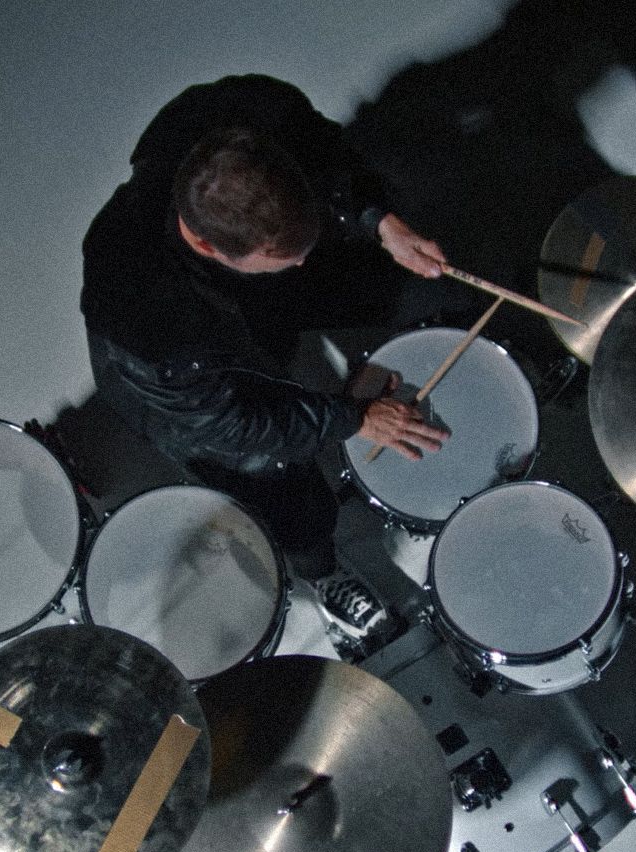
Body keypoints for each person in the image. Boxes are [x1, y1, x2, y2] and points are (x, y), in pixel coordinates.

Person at [80, 74, 450, 646]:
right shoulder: (143, 313)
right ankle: (323, 573)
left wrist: (378, 220)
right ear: (207, 245)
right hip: (184, 389)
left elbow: (322, 149)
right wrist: (353, 418)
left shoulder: (239, 114)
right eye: (282, 258)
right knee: (278, 483)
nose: (300, 264)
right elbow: (234, 423)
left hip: (233, 296)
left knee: (365, 274)